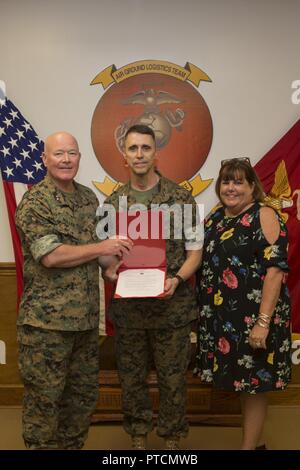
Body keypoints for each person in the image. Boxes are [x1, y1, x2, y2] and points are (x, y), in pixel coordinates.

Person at [15, 131, 132, 450]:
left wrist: (112, 268)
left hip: (84, 324)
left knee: (80, 404)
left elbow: (95, 253)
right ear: (45, 159)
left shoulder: (87, 199)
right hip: (45, 328)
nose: (66, 160)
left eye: (72, 153)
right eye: (58, 154)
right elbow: (51, 255)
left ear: (80, 158)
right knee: (45, 405)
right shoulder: (35, 202)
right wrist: (101, 246)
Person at [102, 124, 203, 450]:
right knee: (131, 380)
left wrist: (177, 279)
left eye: (145, 148)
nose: (140, 154)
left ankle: (172, 438)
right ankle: (138, 437)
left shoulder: (180, 197)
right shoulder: (113, 202)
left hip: (170, 307)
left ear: (155, 152)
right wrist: (110, 271)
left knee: (173, 380)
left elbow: (195, 250)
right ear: (125, 156)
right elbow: (104, 254)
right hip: (130, 310)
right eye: (133, 148)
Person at [195, 157, 292, 450]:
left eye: (238, 181)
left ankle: (248, 449)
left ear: (252, 186)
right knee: (244, 384)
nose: (231, 187)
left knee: (253, 387)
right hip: (223, 321)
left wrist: (262, 323)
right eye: (226, 181)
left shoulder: (264, 215)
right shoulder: (215, 218)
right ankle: (257, 444)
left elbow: (275, 272)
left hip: (254, 320)